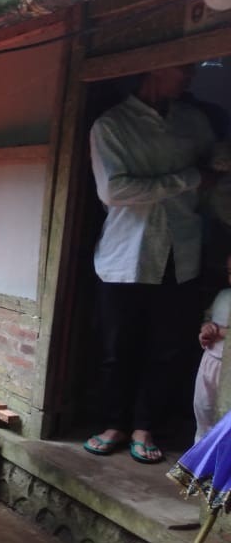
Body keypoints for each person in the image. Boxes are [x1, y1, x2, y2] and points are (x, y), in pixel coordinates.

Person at [84, 64, 216, 464]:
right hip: (127, 254)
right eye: (183, 68)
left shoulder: (194, 122)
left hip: (183, 251)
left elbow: (217, 163)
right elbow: (115, 189)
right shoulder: (112, 125)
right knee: (118, 348)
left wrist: (214, 168)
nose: (190, 75)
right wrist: (189, 179)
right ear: (156, 68)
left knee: (167, 347)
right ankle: (113, 424)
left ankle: (145, 427)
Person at [194, 255, 231, 442]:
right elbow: (209, 318)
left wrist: (222, 332)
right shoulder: (223, 295)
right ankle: (200, 458)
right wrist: (206, 329)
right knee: (203, 409)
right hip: (211, 362)